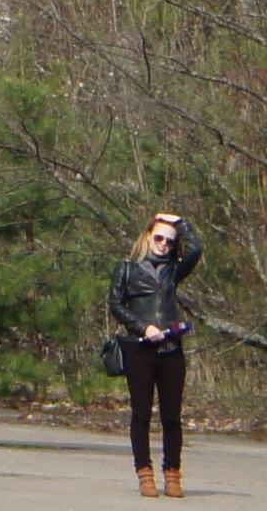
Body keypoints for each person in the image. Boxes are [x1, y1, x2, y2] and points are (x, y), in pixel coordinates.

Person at [118, 211, 204, 497]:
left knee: (172, 416)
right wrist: (144, 327)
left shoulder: (174, 270)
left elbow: (197, 248)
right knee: (141, 414)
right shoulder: (128, 268)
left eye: (170, 241)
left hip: (170, 349)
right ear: (147, 236)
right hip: (138, 348)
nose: (164, 245)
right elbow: (116, 304)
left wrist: (179, 222)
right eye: (159, 237)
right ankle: (145, 474)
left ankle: (173, 474)